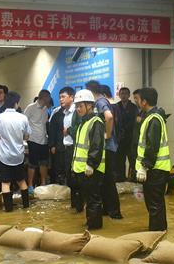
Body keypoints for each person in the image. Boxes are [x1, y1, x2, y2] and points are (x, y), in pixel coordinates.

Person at [0, 91, 31, 211]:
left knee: (5, 183)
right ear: (16, 103)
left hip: (4, 156)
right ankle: (26, 207)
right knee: (21, 181)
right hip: (19, 156)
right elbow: (27, 137)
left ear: (5, 102)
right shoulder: (23, 118)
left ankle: (9, 210)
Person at [135, 87, 171, 231]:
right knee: (154, 205)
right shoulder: (152, 117)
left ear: (144, 102)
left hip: (155, 169)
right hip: (156, 168)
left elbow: (152, 146)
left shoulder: (154, 119)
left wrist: (144, 166)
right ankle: (160, 233)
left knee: (155, 205)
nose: (137, 102)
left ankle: (156, 235)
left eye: (138, 99)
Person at [86, 80, 122, 219]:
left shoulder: (100, 102)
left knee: (108, 181)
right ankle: (108, 209)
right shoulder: (101, 101)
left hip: (108, 147)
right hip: (107, 147)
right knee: (105, 180)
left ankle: (114, 212)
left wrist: (107, 134)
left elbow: (109, 117)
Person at [72, 89, 106, 230]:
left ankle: (95, 228)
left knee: (93, 199)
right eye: (77, 106)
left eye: (81, 106)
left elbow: (96, 145)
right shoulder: (83, 123)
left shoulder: (96, 122)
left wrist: (91, 164)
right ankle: (90, 222)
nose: (78, 109)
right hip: (82, 169)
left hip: (92, 169)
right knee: (88, 199)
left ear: (90, 105)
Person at [24, 89, 52, 192]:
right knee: (32, 163)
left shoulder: (45, 109)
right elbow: (24, 122)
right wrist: (26, 135)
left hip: (43, 140)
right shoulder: (30, 108)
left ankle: (43, 183)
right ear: (44, 97)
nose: (49, 100)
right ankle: (30, 185)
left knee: (44, 163)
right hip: (33, 139)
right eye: (48, 97)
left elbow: (45, 124)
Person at [116, 86, 139, 181]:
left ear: (129, 95)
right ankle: (120, 178)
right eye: (122, 93)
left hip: (130, 138)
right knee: (120, 160)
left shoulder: (134, 107)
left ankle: (134, 178)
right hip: (120, 139)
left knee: (132, 159)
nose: (124, 95)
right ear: (119, 95)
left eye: (126, 94)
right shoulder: (116, 106)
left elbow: (136, 122)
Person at [47, 88, 70, 186]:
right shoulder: (57, 115)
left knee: (69, 169)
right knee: (59, 169)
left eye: (63, 97)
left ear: (71, 97)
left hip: (71, 146)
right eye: (60, 97)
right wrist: (52, 145)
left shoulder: (76, 113)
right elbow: (52, 131)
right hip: (59, 146)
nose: (61, 99)